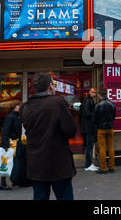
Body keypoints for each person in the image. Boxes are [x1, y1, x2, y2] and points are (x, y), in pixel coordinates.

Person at [21, 72, 78, 200]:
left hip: (35, 165)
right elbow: (71, 130)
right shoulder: (57, 103)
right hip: (58, 165)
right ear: (50, 86)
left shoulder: (25, 107)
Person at [0, 100, 22, 190]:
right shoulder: (11, 117)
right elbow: (5, 131)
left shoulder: (17, 117)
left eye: (20, 105)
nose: (19, 107)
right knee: (7, 163)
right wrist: (5, 145)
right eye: (17, 105)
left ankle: (13, 181)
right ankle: (3, 183)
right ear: (13, 107)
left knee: (13, 162)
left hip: (14, 143)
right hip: (11, 143)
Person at [93, 87, 116, 174]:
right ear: (106, 94)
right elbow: (113, 117)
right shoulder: (112, 105)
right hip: (110, 128)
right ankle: (112, 167)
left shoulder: (98, 106)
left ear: (99, 95)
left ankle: (103, 168)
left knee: (102, 148)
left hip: (101, 129)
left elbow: (94, 119)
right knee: (110, 147)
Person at [81, 87, 99, 171]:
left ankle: (89, 164)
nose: (94, 94)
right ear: (89, 92)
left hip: (89, 127)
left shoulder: (88, 101)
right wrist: (95, 112)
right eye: (93, 92)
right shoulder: (87, 102)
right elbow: (87, 114)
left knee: (90, 146)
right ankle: (88, 165)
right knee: (89, 147)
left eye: (95, 92)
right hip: (89, 127)